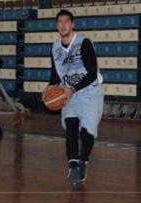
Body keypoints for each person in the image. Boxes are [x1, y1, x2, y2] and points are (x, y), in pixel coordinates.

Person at [43, 9, 104, 188]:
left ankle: (83, 160)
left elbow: (92, 73)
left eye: (66, 21)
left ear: (72, 24)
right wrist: (50, 87)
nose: (63, 25)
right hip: (68, 93)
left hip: (90, 92)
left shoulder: (84, 43)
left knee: (87, 135)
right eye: (59, 22)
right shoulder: (54, 47)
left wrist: (72, 88)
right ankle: (73, 166)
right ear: (56, 26)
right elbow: (55, 74)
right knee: (70, 126)